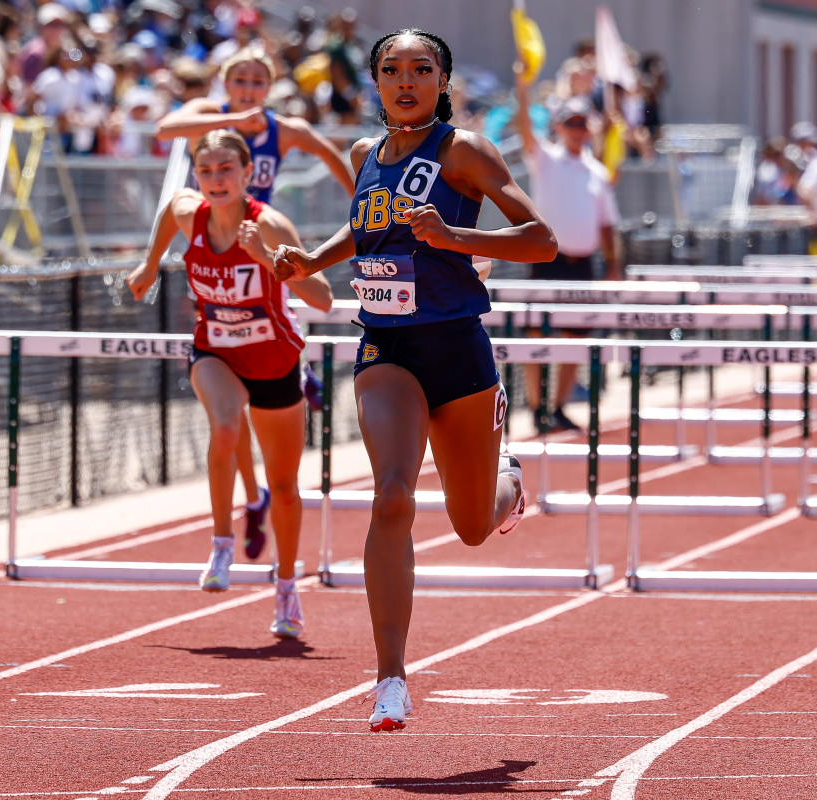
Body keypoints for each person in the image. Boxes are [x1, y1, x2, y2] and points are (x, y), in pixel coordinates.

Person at [272, 28, 557, 731]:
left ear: (442, 80)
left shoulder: (464, 152)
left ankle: (509, 482)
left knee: (469, 527)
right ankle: (390, 679)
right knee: (392, 493)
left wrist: (458, 238)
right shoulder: (365, 154)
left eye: (420, 69)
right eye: (391, 70)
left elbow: (542, 240)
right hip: (386, 345)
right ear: (374, 82)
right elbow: (365, 232)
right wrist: (310, 261)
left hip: (458, 350)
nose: (406, 81)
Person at [126, 129, 333, 638]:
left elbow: (323, 296)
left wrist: (267, 258)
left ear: (247, 175)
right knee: (224, 426)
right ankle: (222, 543)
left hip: (274, 360)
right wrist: (150, 264)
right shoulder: (188, 214)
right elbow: (169, 207)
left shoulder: (270, 223)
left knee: (284, 489)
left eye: (226, 170)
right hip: (215, 351)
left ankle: (286, 586)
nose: (215, 180)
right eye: (206, 171)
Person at [156, 45, 355, 558]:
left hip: (258, 228)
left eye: (256, 83)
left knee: (269, 306)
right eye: (238, 81)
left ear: (269, 87)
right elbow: (165, 128)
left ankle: (293, 361)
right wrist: (146, 263)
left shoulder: (280, 128)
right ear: (226, 84)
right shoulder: (212, 116)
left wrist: (361, 196)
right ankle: (249, 498)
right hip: (216, 234)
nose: (248, 91)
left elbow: (325, 149)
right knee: (228, 414)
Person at [513, 65, 621, 433]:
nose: (577, 129)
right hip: (547, 260)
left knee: (576, 339)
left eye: (581, 123)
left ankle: (556, 406)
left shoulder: (597, 171)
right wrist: (522, 86)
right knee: (536, 336)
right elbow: (524, 128)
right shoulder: (545, 158)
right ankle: (536, 405)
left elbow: (608, 223)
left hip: (582, 264)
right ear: (559, 127)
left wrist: (614, 263)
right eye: (570, 122)